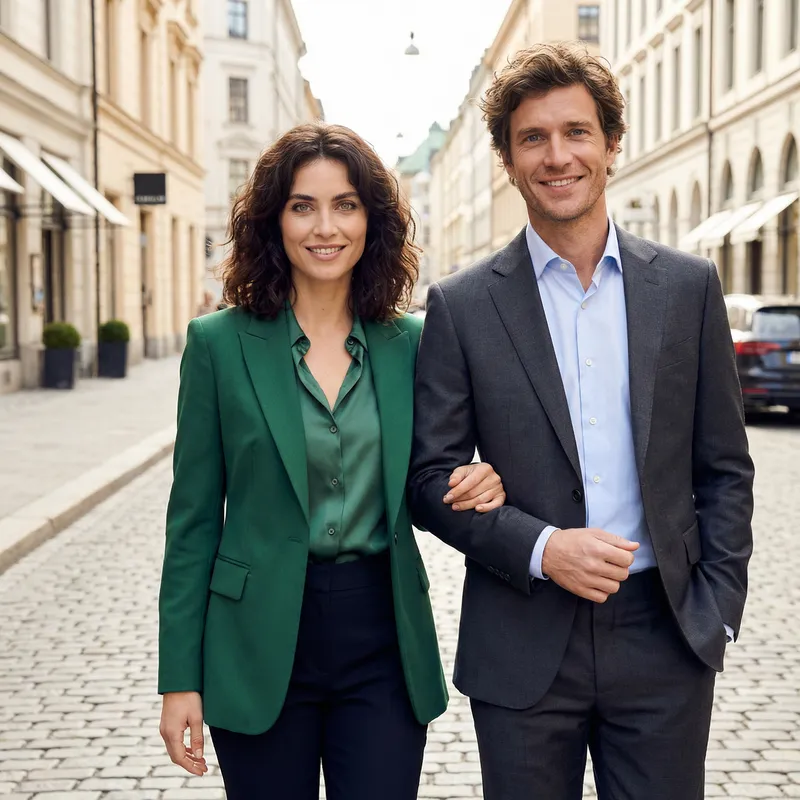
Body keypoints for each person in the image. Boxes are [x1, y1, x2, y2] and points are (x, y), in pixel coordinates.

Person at [408, 42, 754, 800]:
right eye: (533, 138)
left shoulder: (688, 288)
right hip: (522, 640)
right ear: (506, 158)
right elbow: (427, 479)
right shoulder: (462, 307)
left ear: (611, 145)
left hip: (665, 634)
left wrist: (717, 611)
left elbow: (724, 466)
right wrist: (541, 548)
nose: (556, 156)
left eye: (576, 132)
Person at [157, 122, 507, 800]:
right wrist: (179, 678)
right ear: (273, 220)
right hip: (254, 639)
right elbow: (192, 523)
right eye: (302, 205)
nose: (326, 226)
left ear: (371, 220)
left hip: (381, 633)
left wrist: (478, 478)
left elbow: (435, 474)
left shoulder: (413, 344)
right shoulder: (217, 346)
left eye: (345, 204)